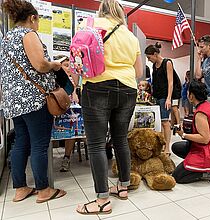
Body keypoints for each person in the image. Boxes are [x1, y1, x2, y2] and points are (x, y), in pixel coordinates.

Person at [76, 0, 142, 215]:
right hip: (128, 89)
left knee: (96, 144)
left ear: (101, 10)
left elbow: (78, 59)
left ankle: (102, 200)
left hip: (97, 86)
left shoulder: (89, 25)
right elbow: (139, 71)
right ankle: (123, 186)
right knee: (120, 139)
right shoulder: (130, 36)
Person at [0, 0, 66, 203]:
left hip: (14, 101)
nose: (38, 26)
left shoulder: (7, 38)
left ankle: (20, 188)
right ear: (32, 17)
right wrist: (55, 65)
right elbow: (40, 64)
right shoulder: (27, 34)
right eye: (38, 21)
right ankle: (43, 189)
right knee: (39, 144)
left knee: (21, 142)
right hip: (34, 100)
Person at [172, 80, 210, 184]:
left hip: (208, 152)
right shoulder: (209, 106)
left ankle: (208, 171)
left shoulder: (201, 113)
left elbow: (205, 139)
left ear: (191, 96)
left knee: (177, 177)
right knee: (176, 147)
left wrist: (184, 135)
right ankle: (205, 168)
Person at [145, 42, 181, 155]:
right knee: (158, 122)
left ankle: (167, 147)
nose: (149, 60)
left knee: (165, 122)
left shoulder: (167, 62)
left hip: (165, 96)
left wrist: (169, 98)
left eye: (149, 57)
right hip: (157, 95)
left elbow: (171, 82)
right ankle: (160, 145)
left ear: (155, 54)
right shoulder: (153, 66)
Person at [53, 55, 81, 172]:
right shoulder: (53, 79)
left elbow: (76, 98)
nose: (69, 68)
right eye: (65, 65)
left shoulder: (72, 82)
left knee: (72, 132)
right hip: (55, 111)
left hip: (70, 113)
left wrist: (74, 92)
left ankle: (67, 157)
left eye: (70, 66)